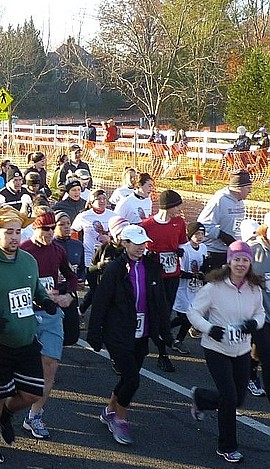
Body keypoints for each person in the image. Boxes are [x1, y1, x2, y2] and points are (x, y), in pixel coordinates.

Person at [0, 203, 57, 463]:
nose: (14, 237)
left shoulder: (28, 260)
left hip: (26, 339)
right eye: (8, 232)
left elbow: (33, 288)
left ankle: (6, 414)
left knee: (32, 393)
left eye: (18, 232)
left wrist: (46, 301)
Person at [87, 225, 173, 446]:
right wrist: (94, 333)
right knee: (133, 379)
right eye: (136, 243)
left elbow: (160, 301)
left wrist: (165, 332)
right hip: (118, 331)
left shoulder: (152, 267)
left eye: (143, 243)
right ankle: (120, 420)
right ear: (124, 244)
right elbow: (101, 301)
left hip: (142, 332)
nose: (141, 248)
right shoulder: (115, 269)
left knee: (128, 376)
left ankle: (109, 411)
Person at [187, 241, 264, 463]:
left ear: (250, 263)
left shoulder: (254, 288)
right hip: (216, 348)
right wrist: (210, 329)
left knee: (238, 398)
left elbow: (259, 313)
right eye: (237, 259)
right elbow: (193, 313)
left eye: (245, 260)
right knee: (229, 397)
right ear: (229, 261)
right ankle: (227, 447)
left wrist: (253, 324)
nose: (241, 264)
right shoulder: (214, 288)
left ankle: (200, 398)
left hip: (241, 350)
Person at [19, 211, 78, 440]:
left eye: (53, 229)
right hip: (25, 314)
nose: (51, 233)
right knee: (18, 366)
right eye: (46, 229)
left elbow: (71, 277)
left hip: (51, 314)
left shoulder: (58, 250)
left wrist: (69, 296)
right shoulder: (23, 250)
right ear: (35, 228)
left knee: (50, 365)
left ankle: (34, 415)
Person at [140, 190, 188, 373]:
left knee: (167, 310)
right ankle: (160, 349)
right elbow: (139, 247)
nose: (180, 209)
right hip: (155, 275)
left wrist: (180, 252)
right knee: (155, 310)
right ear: (168, 206)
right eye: (177, 205)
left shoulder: (179, 222)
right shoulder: (147, 225)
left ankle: (163, 344)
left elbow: (182, 243)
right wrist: (149, 255)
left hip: (172, 274)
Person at [197, 170, 251, 274]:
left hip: (231, 252)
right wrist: (222, 236)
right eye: (248, 188)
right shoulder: (220, 200)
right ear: (239, 188)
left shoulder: (240, 202)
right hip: (215, 252)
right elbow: (203, 225)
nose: (250, 192)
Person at [170, 222, 207, 355]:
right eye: (197, 233)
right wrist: (194, 275)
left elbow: (204, 265)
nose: (200, 236)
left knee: (189, 316)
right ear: (190, 234)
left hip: (195, 289)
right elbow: (179, 271)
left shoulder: (203, 248)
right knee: (187, 316)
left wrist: (204, 273)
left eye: (202, 234)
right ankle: (176, 338)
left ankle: (165, 330)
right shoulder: (184, 249)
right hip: (183, 288)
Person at [248, 214, 270, 401]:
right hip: (259, 315)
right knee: (265, 354)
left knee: (259, 351)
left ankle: (249, 374)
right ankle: (252, 376)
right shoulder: (253, 251)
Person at [71, 189, 115, 268]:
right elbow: (73, 231)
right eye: (99, 199)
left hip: (108, 255)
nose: (102, 201)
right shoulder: (84, 216)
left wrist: (109, 238)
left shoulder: (113, 215)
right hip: (89, 255)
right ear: (92, 202)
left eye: (104, 198)